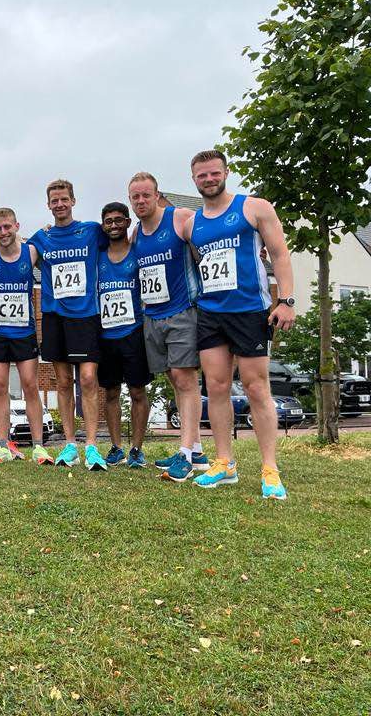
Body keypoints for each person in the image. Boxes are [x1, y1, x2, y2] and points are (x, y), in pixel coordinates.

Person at [185, 150, 295, 500]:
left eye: (214, 173)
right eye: (202, 176)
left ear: (226, 172)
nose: (209, 179)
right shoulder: (192, 225)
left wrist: (287, 300)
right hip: (211, 313)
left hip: (250, 310)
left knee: (256, 386)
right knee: (216, 387)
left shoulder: (254, 207)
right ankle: (225, 463)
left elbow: (279, 254)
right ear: (194, 179)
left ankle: (270, 469)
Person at [129, 174, 209, 481]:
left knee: (184, 377)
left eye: (145, 195)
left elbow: (209, 247)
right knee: (174, 380)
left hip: (183, 311)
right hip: (154, 316)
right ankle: (196, 449)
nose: (140, 201)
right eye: (135, 197)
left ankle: (185, 454)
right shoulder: (136, 234)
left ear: (157, 195)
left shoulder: (181, 218)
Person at [29, 180, 108, 469]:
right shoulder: (41, 237)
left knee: (88, 379)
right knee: (62, 381)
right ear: (48, 205)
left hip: (85, 316)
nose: (59, 204)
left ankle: (92, 446)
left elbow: (122, 237)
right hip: (54, 316)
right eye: (54, 201)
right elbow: (22, 258)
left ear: (73, 200)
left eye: (64, 199)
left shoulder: (91, 231)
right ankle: (70, 444)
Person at [0, 207, 50, 465]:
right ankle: (3, 445)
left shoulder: (30, 251)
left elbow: (52, 245)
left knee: (30, 385)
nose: (3, 232)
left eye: (7, 227)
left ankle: (38, 446)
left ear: (17, 226)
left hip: (24, 331)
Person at [96, 202, 151, 469]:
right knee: (110, 392)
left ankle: (137, 449)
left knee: (138, 391)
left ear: (128, 222)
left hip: (133, 332)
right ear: (103, 225)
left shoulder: (138, 253)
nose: (114, 225)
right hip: (105, 335)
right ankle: (116, 447)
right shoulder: (97, 257)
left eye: (119, 220)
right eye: (109, 221)